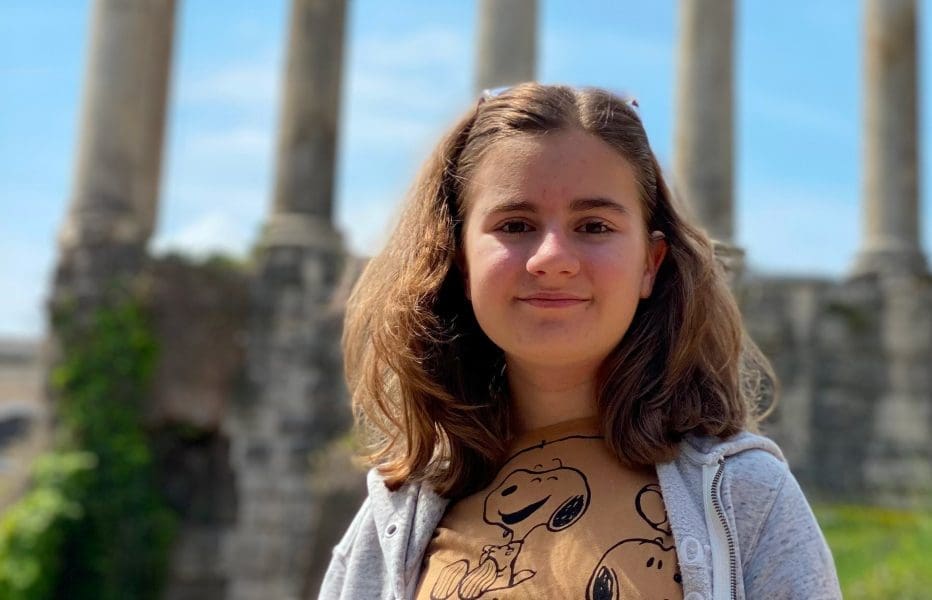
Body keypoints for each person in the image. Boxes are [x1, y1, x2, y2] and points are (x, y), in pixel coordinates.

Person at [320, 83, 841, 600]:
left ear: (650, 264)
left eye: (593, 226)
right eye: (515, 225)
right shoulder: (392, 518)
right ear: (461, 265)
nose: (552, 257)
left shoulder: (748, 496)